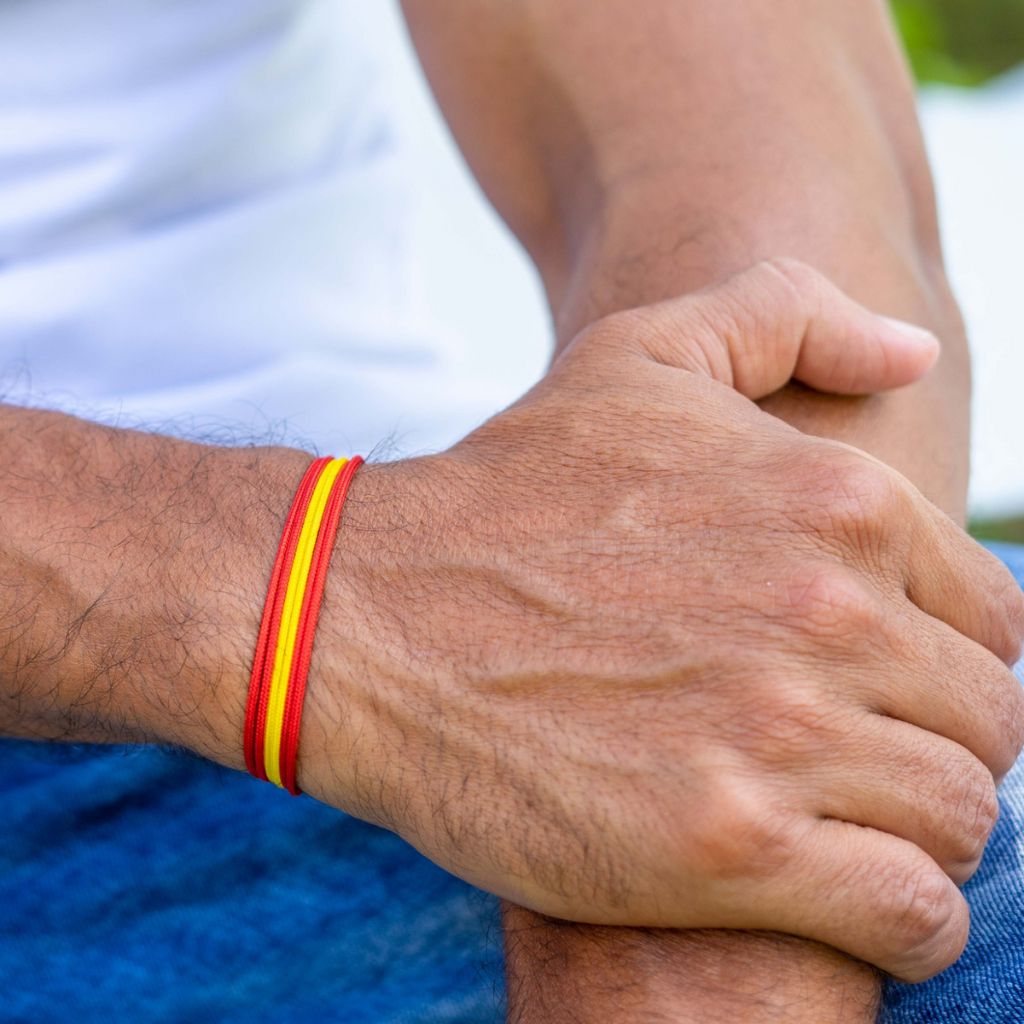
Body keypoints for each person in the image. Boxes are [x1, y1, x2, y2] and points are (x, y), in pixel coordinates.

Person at [1, 1, 1022, 1022]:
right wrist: (327, 602)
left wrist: (687, 891)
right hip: (375, 623)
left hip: (440, 605)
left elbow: (770, 175)